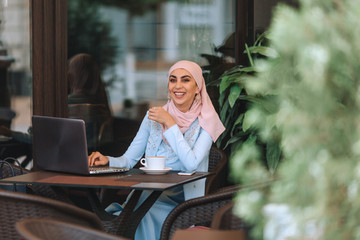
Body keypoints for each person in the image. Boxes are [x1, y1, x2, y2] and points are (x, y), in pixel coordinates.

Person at [88, 60, 225, 240]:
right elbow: (129, 159)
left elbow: (192, 163)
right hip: (146, 194)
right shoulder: (153, 116)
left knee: (139, 218)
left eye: (185, 80)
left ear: (197, 87)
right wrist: (108, 160)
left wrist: (170, 123)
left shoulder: (207, 121)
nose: (177, 86)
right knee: (115, 220)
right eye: (173, 80)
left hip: (181, 203)